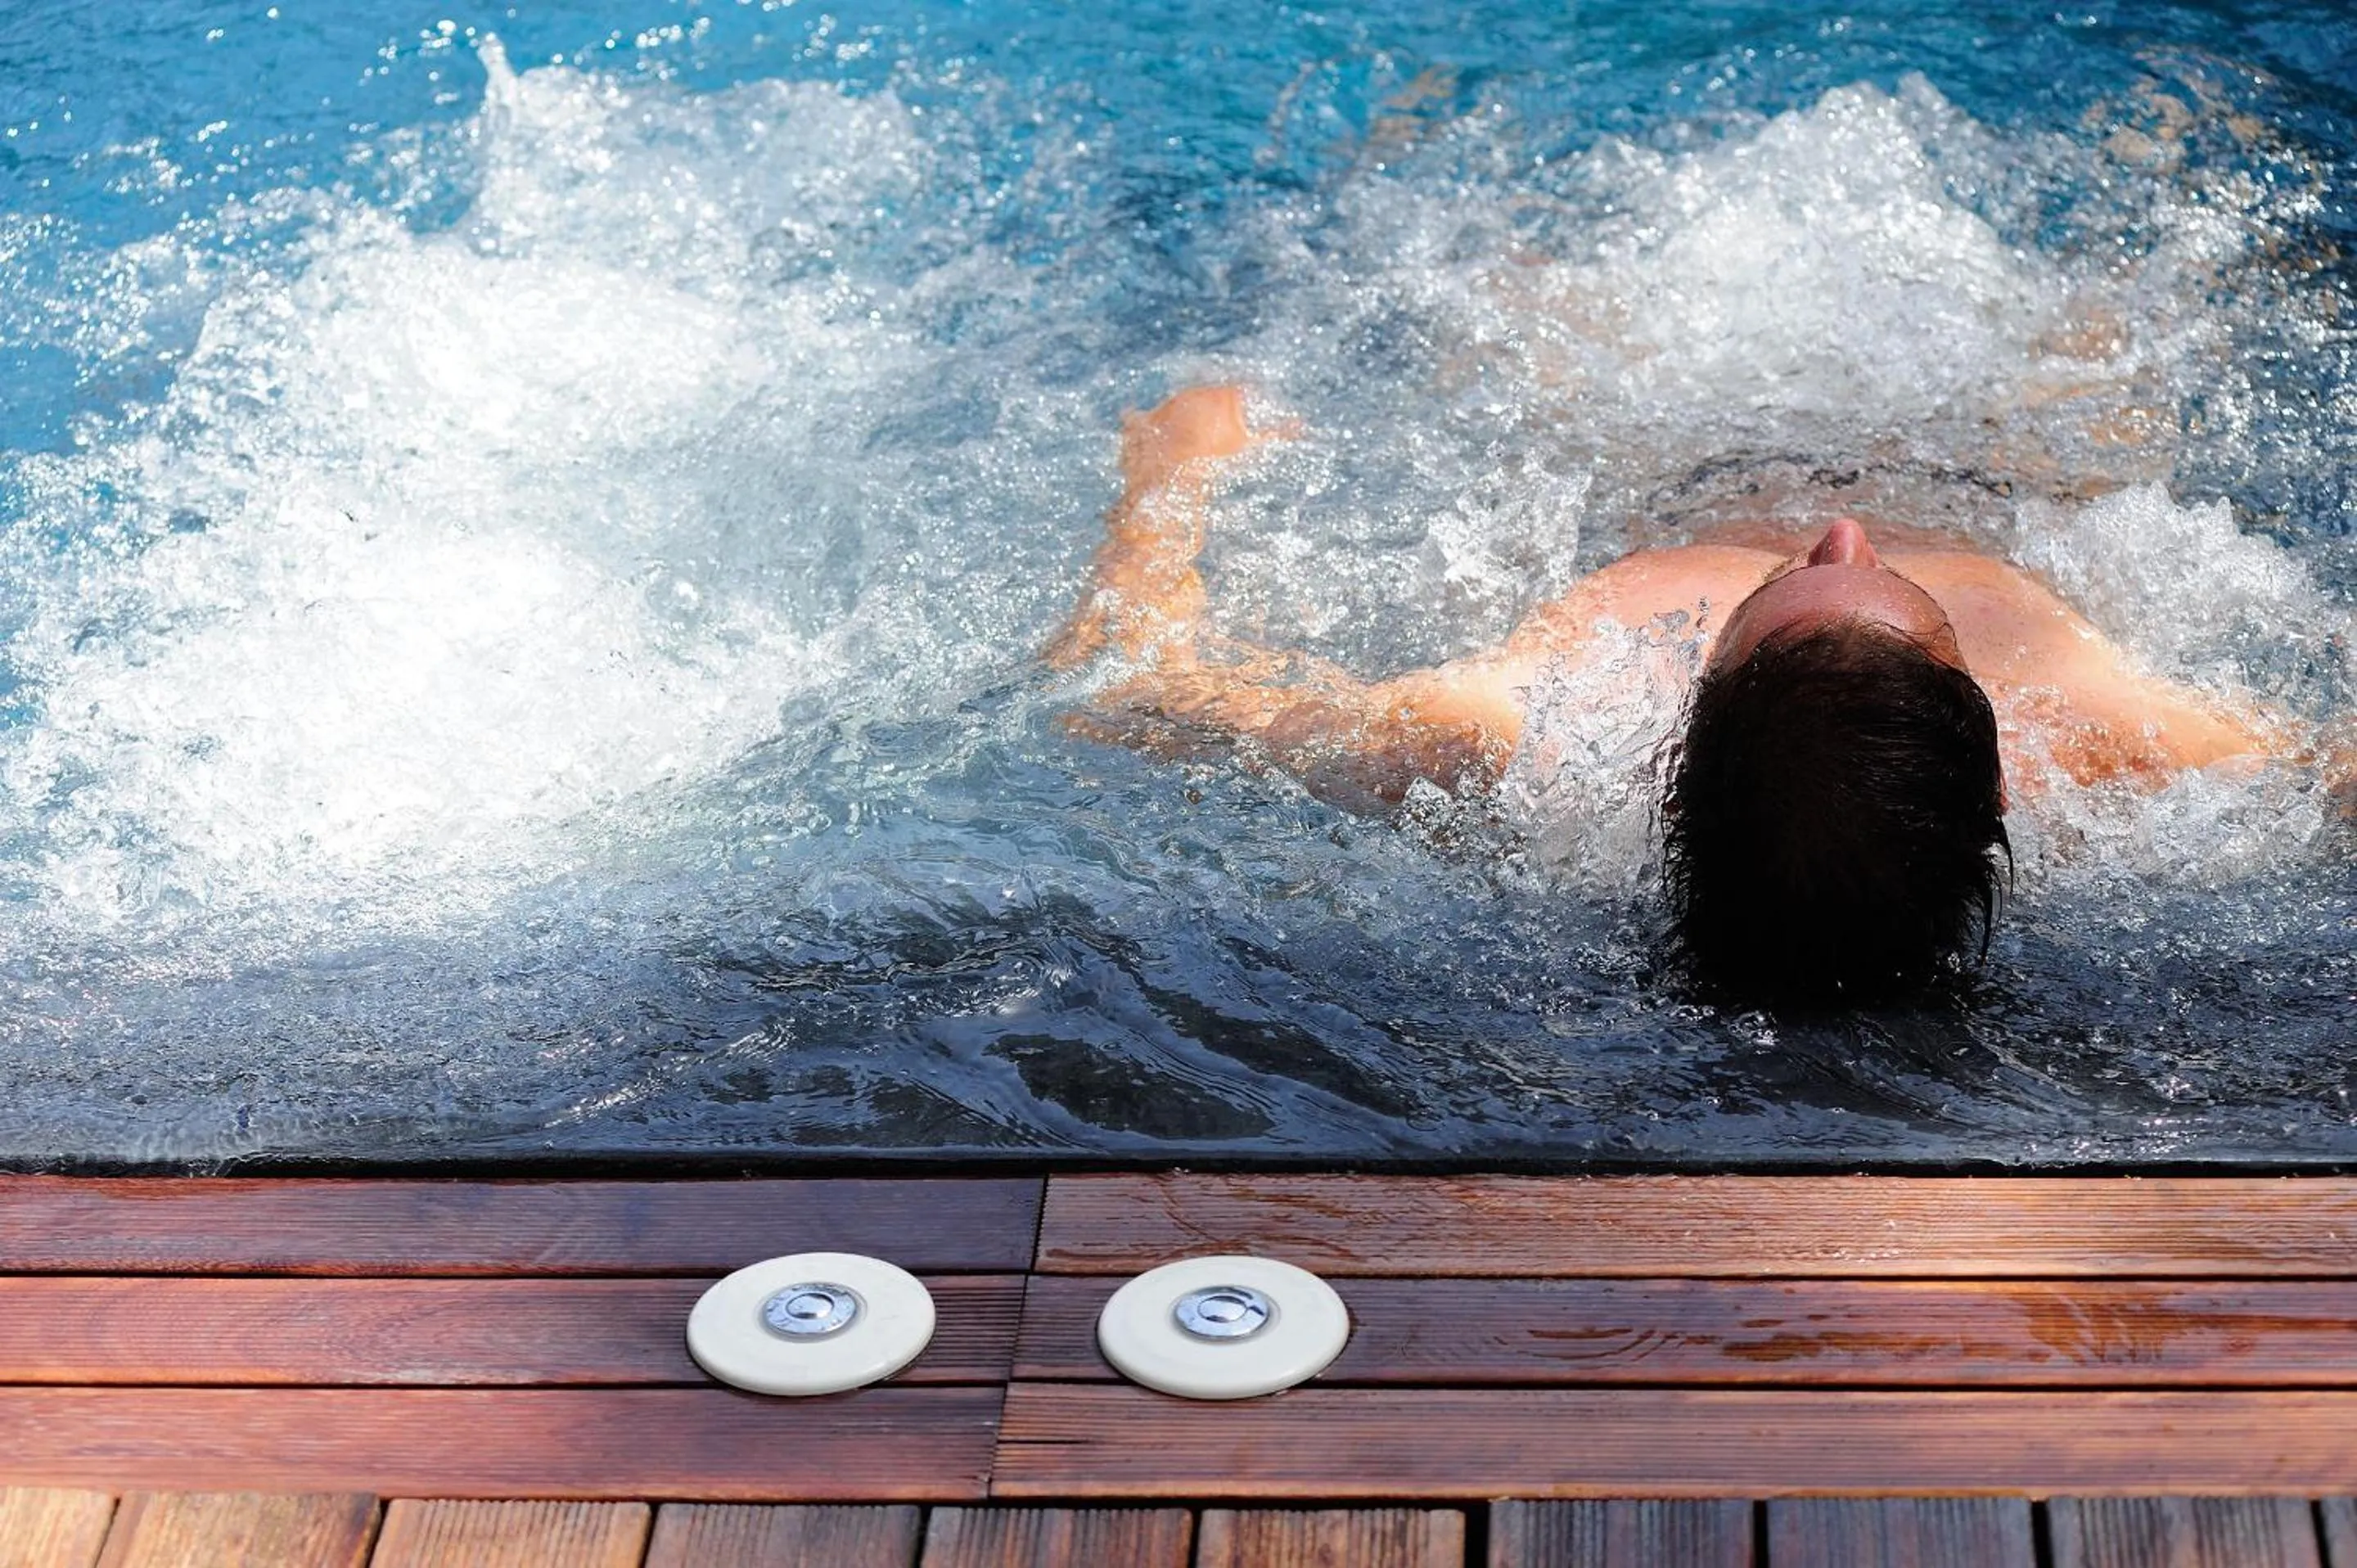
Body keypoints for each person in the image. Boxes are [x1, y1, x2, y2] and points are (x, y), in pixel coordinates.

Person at [1048, 385, 2290, 1005]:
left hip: (1671, 447)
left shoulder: (1520, 728)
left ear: (1685, 727)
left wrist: (1167, 476)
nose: (1842, 532)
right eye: (1870, 584)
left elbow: (1132, 689)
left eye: (1791, 584)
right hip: (2007, 457)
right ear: (1987, 739)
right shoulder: (2121, 744)